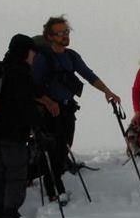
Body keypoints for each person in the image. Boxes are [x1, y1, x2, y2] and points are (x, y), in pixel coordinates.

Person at [32, 16, 121, 202]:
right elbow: (33, 88)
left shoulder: (71, 55)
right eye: (60, 33)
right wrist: (48, 102)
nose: (65, 36)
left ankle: (37, 177)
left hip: (67, 110)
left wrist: (107, 91)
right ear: (49, 36)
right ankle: (54, 191)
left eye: (66, 32)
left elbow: (88, 74)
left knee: (64, 148)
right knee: (53, 151)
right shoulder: (42, 59)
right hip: (49, 112)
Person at [0, 34, 42, 218]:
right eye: (32, 52)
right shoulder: (20, 73)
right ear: (25, 52)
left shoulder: (2, 68)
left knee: (0, 173)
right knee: (16, 174)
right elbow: (26, 105)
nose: (34, 56)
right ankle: (10, 214)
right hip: (13, 134)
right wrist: (38, 127)